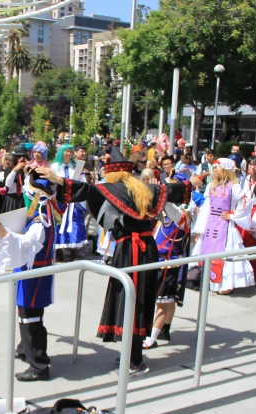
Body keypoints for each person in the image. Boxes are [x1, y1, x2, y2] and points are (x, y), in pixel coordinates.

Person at [41, 147, 202, 377]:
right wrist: (193, 180)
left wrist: (57, 179)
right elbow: (171, 191)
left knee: (131, 303)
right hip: (148, 248)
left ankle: (134, 361)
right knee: (138, 302)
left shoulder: (111, 189)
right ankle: (133, 355)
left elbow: (86, 190)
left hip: (129, 250)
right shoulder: (145, 189)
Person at [0, 173, 61, 382]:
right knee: (25, 312)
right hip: (29, 271)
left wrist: (4, 233)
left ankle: (39, 364)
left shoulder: (41, 219)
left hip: (34, 275)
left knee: (31, 317)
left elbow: (28, 243)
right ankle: (25, 348)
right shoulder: (41, 213)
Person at [191, 159, 255, 295]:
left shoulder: (234, 187)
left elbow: (247, 201)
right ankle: (207, 281)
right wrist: (199, 229)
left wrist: (233, 216)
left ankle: (225, 284)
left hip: (225, 226)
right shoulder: (211, 187)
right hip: (210, 225)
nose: (214, 171)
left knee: (225, 253)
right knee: (207, 251)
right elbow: (206, 208)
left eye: (217, 168)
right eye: (213, 168)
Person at [143, 198, 194, 349]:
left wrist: (162, 191)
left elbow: (168, 205)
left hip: (168, 264)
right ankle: (165, 328)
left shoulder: (181, 215)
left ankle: (151, 339)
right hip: (157, 260)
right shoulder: (167, 214)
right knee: (168, 299)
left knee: (162, 302)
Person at [52, 143, 87, 262]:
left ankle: (73, 251)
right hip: (59, 201)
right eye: (66, 151)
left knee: (74, 224)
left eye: (70, 151)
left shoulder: (76, 167)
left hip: (73, 201)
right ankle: (58, 252)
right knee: (58, 224)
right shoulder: (55, 167)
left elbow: (82, 182)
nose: (68, 154)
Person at [2, 146, 29, 213]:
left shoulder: (28, 171)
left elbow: (28, 186)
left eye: (24, 157)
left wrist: (26, 171)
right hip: (11, 199)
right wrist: (14, 170)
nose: (21, 160)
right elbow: (7, 184)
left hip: (23, 198)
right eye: (19, 157)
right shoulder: (9, 170)